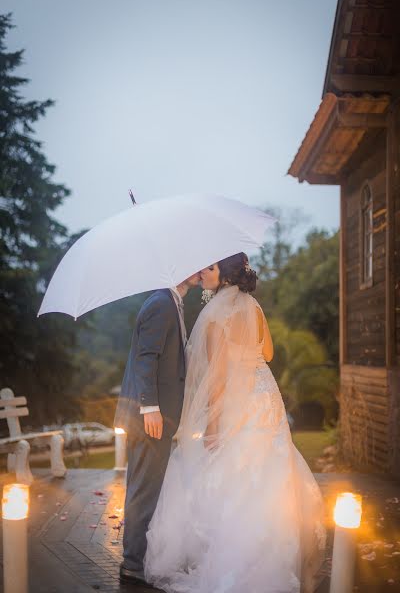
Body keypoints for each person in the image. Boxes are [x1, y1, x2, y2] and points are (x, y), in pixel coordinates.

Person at [145, 253, 326, 593]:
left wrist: (213, 425)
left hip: (238, 402)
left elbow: (218, 379)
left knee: (234, 477)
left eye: (209, 268)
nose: (203, 272)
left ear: (224, 274)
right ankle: (276, 551)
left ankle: (238, 561)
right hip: (265, 397)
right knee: (270, 470)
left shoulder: (214, 316)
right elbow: (268, 353)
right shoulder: (254, 307)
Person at [114, 273, 200, 587]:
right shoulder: (161, 303)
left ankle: (139, 560)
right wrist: (150, 408)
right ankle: (133, 565)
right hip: (149, 418)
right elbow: (145, 358)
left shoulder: (170, 302)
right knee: (143, 492)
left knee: (149, 490)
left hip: (159, 419)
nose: (200, 269)